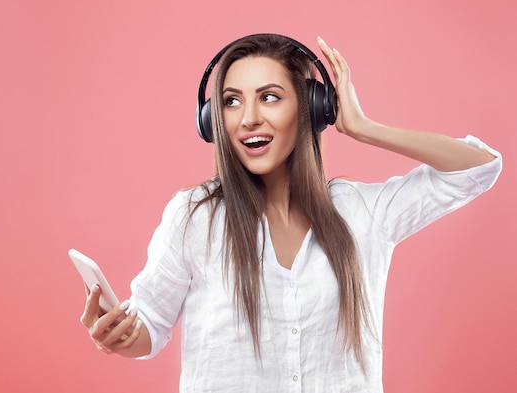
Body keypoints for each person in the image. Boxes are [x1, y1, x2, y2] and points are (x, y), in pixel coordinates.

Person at [79, 33, 502, 392]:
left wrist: (363, 127)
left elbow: (479, 167)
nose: (248, 118)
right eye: (230, 101)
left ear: (312, 109)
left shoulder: (361, 213)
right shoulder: (194, 217)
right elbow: (148, 325)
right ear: (211, 120)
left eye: (269, 97)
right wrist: (119, 336)